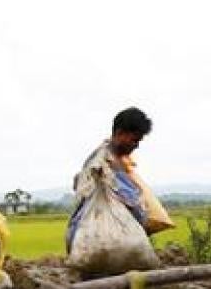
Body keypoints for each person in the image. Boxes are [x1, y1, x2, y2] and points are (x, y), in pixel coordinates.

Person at [66, 106, 173, 250]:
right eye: (135, 140)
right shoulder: (108, 163)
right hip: (98, 238)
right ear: (120, 133)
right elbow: (132, 204)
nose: (137, 146)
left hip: (80, 237)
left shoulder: (107, 158)